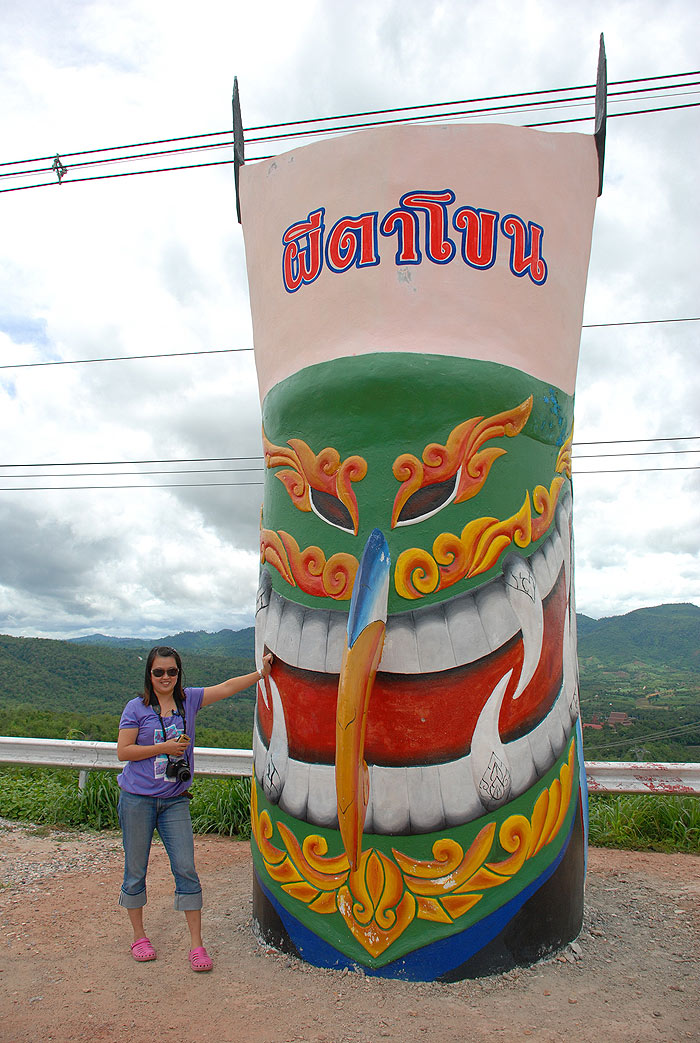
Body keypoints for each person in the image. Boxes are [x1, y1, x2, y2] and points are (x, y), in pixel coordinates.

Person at [116, 643, 273, 971]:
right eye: (159, 671)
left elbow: (227, 687)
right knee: (135, 871)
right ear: (149, 673)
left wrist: (262, 673)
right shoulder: (136, 708)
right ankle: (139, 936)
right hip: (138, 800)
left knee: (186, 868)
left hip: (174, 800)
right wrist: (165, 747)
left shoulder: (189, 701)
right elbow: (124, 752)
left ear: (179, 673)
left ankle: (197, 946)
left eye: (172, 671)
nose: (165, 677)